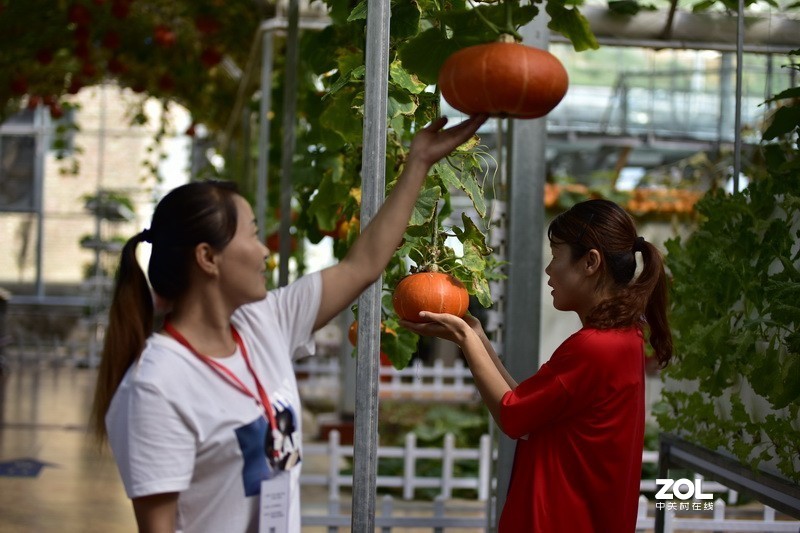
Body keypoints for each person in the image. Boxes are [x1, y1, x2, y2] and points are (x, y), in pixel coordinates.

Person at [90, 114, 487, 533]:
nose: (264, 251)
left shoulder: (265, 322)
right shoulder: (156, 385)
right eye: (252, 234)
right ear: (208, 257)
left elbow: (363, 265)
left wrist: (418, 161)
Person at [401, 198, 673, 532]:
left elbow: (512, 416)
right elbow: (526, 407)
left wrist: (466, 339)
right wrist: (476, 336)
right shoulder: (622, 338)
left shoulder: (594, 347)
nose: (548, 269)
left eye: (556, 256)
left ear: (590, 262)